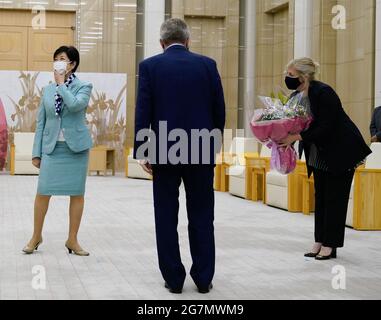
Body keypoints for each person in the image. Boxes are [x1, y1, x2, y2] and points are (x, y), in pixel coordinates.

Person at [134, 18, 225, 294]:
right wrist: (214, 145)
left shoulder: (150, 66)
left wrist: (143, 151)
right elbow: (218, 109)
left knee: (165, 215)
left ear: (162, 43)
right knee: (202, 215)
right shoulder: (208, 65)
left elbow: (144, 110)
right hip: (200, 149)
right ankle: (203, 277)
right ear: (188, 41)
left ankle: (174, 279)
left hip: (164, 151)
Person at [280, 57, 372, 260]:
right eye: (287, 75)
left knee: (335, 199)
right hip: (318, 152)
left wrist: (296, 136)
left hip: (340, 152)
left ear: (304, 76)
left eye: (291, 75)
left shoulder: (323, 92)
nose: (288, 78)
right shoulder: (297, 96)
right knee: (321, 198)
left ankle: (331, 244)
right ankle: (320, 239)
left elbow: (326, 127)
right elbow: (292, 122)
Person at [23, 46, 93, 256]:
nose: (58, 63)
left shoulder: (84, 86)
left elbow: (74, 106)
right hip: (52, 149)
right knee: (43, 192)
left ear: (72, 64)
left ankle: (72, 239)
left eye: (62, 59)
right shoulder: (47, 90)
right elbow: (41, 123)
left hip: (76, 149)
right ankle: (36, 236)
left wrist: (62, 84)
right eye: (55, 59)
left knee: (77, 194)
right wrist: (37, 153)